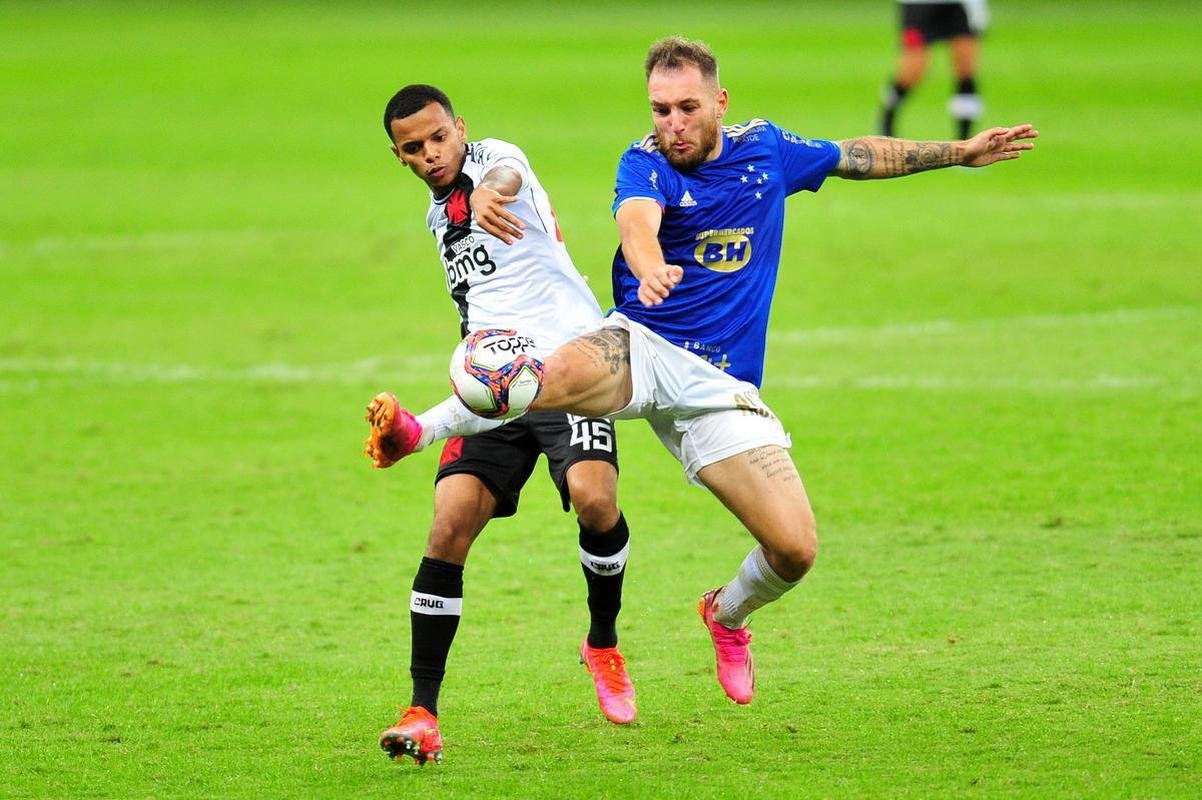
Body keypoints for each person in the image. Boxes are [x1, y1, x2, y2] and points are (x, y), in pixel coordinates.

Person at [366, 37, 1035, 732]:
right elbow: (636, 221)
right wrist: (648, 265)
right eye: (660, 109)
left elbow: (852, 156)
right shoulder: (643, 161)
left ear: (718, 103)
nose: (672, 123)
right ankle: (421, 432)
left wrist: (959, 152)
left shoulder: (765, 151)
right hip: (644, 344)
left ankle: (726, 614)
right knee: (542, 376)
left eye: (687, 107)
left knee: (795, 549)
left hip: (722, 387)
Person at [369, 84, 636, 767]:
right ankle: (422, 711)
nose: (431, 154)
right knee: (448, 523)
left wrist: (492, 190)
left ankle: (601, 642)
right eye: (413, 148)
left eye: (437, 138)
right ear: (397, 156)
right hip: (494, 384)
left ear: (459, 127)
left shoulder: (498, 161)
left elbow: (505, 173)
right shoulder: (438, 219)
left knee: (595, 499)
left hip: (569, 365)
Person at [878, 0, 989, 138]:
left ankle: (964, 143)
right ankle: (886, 120)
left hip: (962, 5)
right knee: (911, 72)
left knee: (966, 70)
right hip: (920, 5)